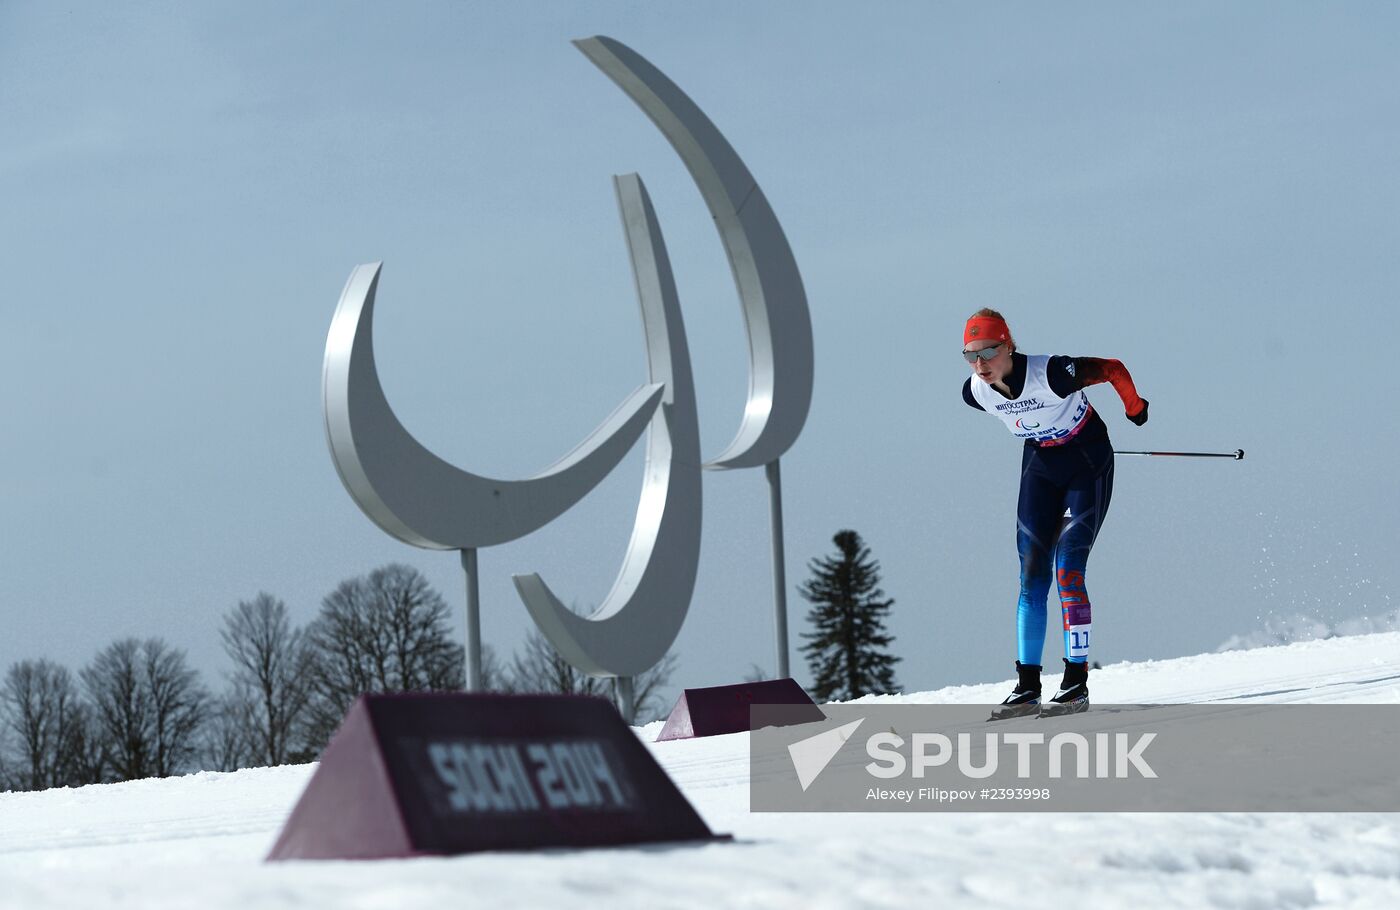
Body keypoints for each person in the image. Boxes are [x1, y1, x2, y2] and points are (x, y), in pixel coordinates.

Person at [960, 308, 1148, 717]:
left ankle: (1075, 683)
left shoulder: (1053, 374)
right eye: (971, 355)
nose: (980, 364)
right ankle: (1028, 687)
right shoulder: (975, 391)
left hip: (1087, 460)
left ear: (1009, 344)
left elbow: (1113, 368)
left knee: (1068, 570)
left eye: (989, 351)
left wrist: (1134, 408)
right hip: (1041, 468)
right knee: (1031, 574)